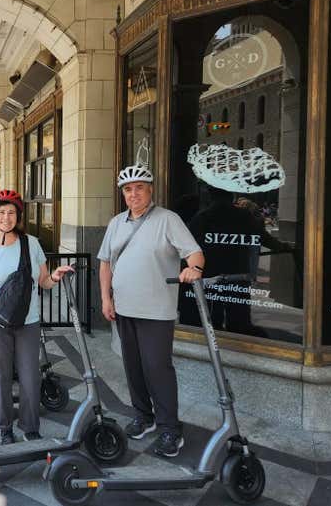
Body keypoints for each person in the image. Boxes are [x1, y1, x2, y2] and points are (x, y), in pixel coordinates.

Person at [97, 164, 204, 458]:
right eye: (128, 190)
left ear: (150, 190)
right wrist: (106, 299)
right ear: (123, 194)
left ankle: (171, 429)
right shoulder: (116, 223)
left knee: (158, 368)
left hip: (157, 310)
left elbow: (193, 252)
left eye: (139, 188)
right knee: (132, 366)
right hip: (124, 308)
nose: (134, 194)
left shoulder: (168, 220)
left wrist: (193, 268)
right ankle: (143, 417)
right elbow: (105, 263)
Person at [0, 189, 72, 444]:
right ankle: (5, 427)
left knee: (30, 376)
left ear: (18, 216)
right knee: (1, 375)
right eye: (1, 213)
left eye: (11, 213)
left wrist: (56, 276)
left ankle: (30, 426)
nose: (6, 217)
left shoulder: (31, 244)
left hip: (28, 321)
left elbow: (44, 281)